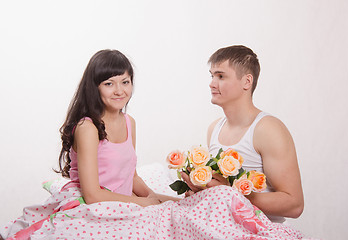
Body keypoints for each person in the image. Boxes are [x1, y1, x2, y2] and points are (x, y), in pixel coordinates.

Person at [1, 49, 178, 239]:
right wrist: (144, 203)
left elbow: (131, 176)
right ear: (95, 88)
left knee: (175, 211)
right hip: (92, 204)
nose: (120, 90)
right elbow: (92, 195)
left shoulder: (129, 122)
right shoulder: (88, 127)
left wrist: (156, 199)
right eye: (109, 84)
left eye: (125, 82)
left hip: (123, 202)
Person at [181, 45, 304, 223]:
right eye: (212, 75)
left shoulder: (268, 129)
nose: (212, 83)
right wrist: (199, 191)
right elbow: (220, 197)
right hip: (220, 228)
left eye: (221, 76)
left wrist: (230, 192)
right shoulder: (214, 128)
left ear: (247, 82)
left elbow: (294, 205)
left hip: (259, 231)